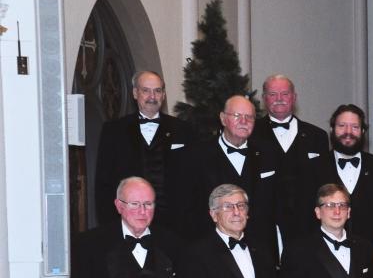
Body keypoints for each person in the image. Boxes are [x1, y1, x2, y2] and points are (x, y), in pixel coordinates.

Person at [178, 95, 281, 256]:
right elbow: (187, 209)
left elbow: (277, 204)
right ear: (223, 118)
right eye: (237, 116)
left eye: (249, 117)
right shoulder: (196, 156)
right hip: (212, 250)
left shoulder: (269, 153)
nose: (243, 121)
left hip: (260, 249)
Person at [93, 70, 193, 229]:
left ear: (163, 95)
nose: (152, 96)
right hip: (129, 224)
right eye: (146, 90)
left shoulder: (183, 130)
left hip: (174, 227)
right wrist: (110, 227)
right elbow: (103, 184)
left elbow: (191, 181)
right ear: (135, 93)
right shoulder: (114, 131)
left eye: (157, 91)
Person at [304, 104, 373, 249]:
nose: (348, 132)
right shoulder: (313, 168)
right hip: (324, 255)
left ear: (362, 131)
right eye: (342, 125)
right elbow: (306, 218)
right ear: (332, 129)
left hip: (372, 256)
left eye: (354, 127)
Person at [248, 74, 329, 243]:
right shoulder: (251, 135)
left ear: (294, 97)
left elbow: (324, 184)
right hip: (263, 227)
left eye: (284, 94)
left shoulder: (317, 136)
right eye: (272, 94)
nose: (279, 99)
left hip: (308, 226)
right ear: (264, 98)